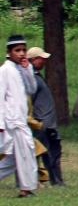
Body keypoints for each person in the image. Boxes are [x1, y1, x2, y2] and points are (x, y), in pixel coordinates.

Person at [0, 35, 38, 196]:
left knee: (15, 159)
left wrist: (27, 69)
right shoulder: (4, 70)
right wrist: (1, 124)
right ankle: (26, 188)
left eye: (23, 50)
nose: (21, 53)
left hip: (21, 120)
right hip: (11, 121)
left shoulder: (20, 69)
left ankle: (26, 187)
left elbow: (31, 89)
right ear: (9, 52)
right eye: (17, 50)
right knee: (25, 153)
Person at [27, 47, 62, 187]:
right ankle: (54, 181)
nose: (45, 60)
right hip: (43, 123)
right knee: (47, 154)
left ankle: (54, 180)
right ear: (33, 60)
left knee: (50, 152)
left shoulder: (36, 76)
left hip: (47, 123)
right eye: (41, 58)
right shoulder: (32, 79)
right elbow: (29, 102)